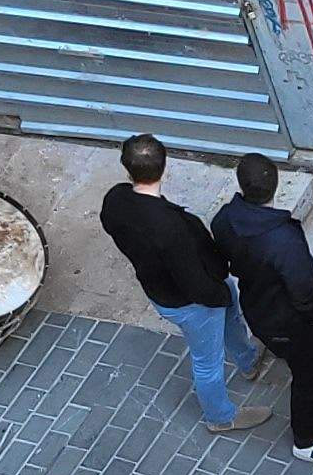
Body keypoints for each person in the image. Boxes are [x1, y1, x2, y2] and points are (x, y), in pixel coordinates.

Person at [100, 133, 269, 435]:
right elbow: (196, 284)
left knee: (229, 312)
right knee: (207, 362)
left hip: (162, 291)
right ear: (165, 168)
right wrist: (217, 294)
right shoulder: (171, 228)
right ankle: (221, 416)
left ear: (128, 170)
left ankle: (247, 360)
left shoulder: (115, 200)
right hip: (193, 303)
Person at [219, 154, 313, 465]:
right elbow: (303, 287)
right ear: (275, 186)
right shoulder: (282, 237)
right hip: (292, 320)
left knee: (312, 366)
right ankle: (308, 440)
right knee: (306, 374)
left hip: (258, 306)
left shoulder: (225, 219)